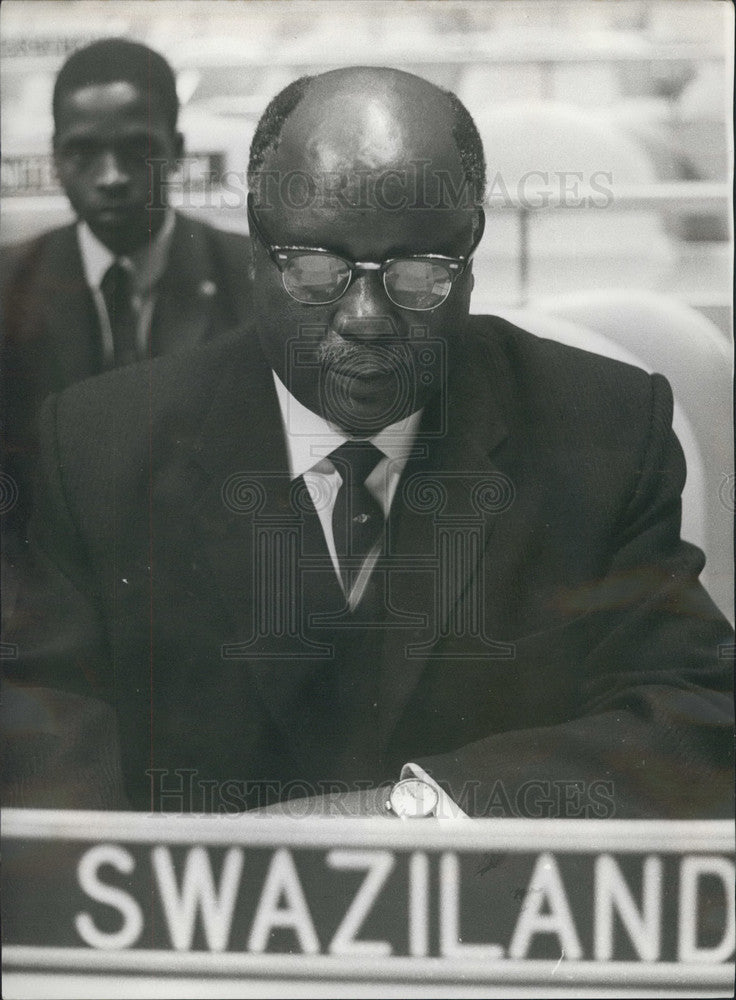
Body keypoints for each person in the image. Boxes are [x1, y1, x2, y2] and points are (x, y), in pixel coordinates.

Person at [2, 67, 732, 818]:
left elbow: (698, 720)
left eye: (419, 272)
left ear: (473, 245)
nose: (366, 319)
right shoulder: (98, 448)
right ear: (255, 242)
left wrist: (415, 811)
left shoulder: (602, 429)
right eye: (316, 270)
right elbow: (40, 744)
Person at [1, 38, 252, 534]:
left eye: (137, 149)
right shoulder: (8, 289)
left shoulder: (251, 278)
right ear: (55, 158)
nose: (111, 177)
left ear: (176, 152)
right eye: (83, 152)